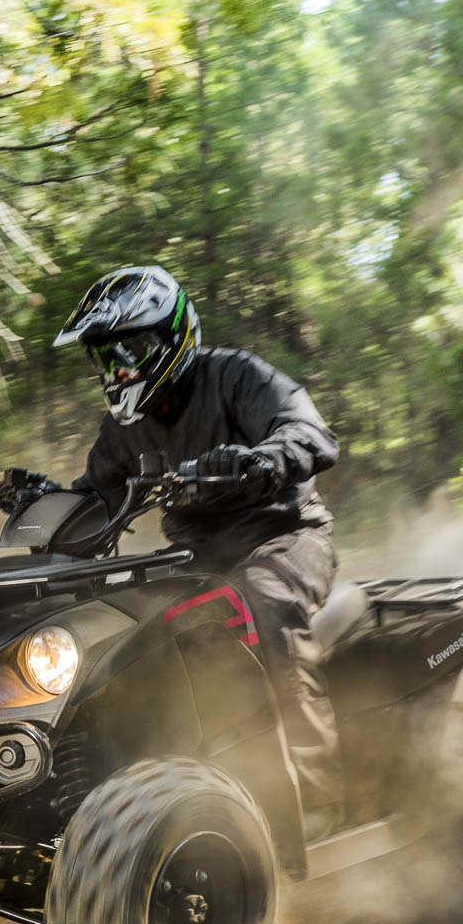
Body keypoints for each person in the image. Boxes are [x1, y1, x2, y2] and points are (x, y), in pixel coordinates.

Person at [27, 265, 344, 839]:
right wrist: (44, 501)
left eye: (131, 351)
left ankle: (317, 794)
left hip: (286, 537)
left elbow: (312, 433)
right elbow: (96, 503)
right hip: (196, 561)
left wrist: (263, 460)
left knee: (265, 596)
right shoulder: (124, 429)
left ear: (173, 336)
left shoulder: (236, 376)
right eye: (107, 358)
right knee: (126, 624)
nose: (119, 369)